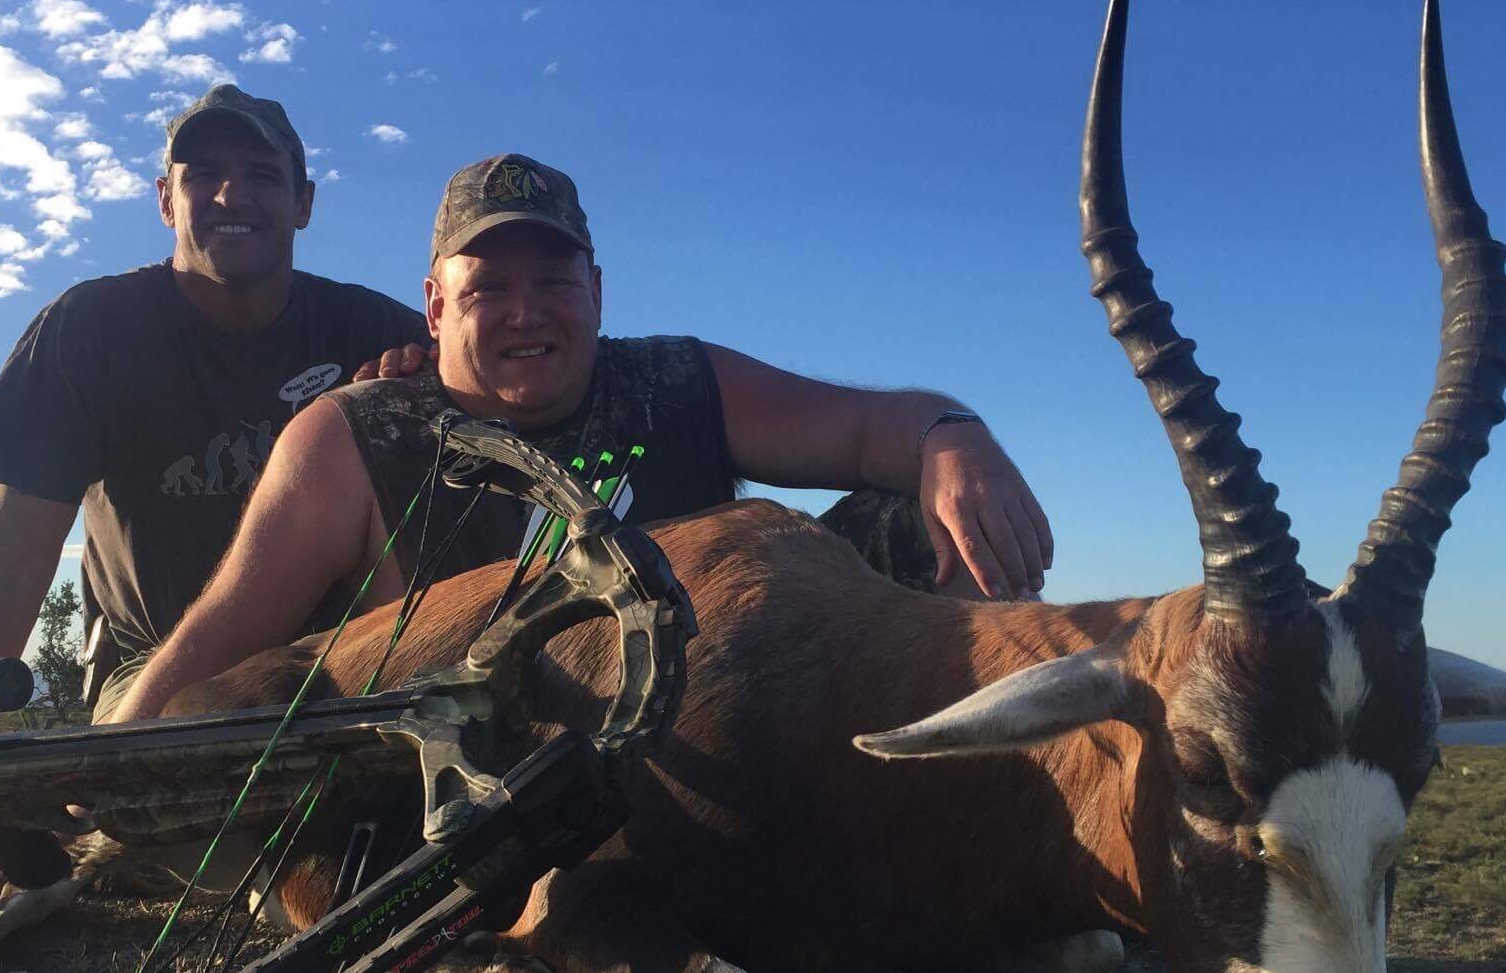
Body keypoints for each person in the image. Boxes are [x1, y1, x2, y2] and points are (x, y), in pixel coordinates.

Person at [106, 152, 1053, 724]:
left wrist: (953, 438)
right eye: (488, 290)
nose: (526, 315)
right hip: (490, 784)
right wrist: (99, 777)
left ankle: (955, 771)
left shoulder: (682, 381)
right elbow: (225, 636)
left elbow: (876, 428)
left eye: (553, 283)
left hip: (733, 730)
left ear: (597, 291)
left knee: (917, 518)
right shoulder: (353, 435)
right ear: (435, 308)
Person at [0, 85, 430, 722]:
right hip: (151, 678)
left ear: (303, 203)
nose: (232, 195)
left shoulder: (381, 332)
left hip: (345, 665)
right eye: (203, 175)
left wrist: (421, 381)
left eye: (261, 175)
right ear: (166, 199)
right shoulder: (89, 329)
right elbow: (18, 543)